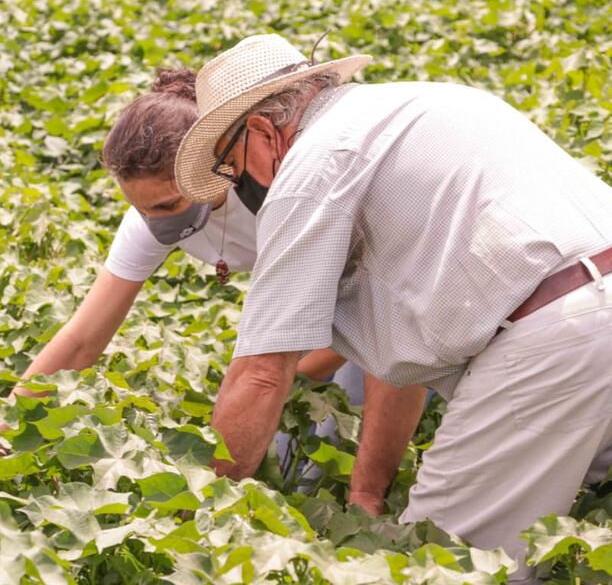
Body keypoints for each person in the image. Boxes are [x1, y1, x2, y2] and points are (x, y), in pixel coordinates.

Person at [169, 33, 612, 582]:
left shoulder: (311, 166)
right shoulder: (430, 102)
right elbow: (401, 357)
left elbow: (262, 373)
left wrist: (195, 522)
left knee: (443, 566)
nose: (242, 186)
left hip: (554, 338)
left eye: (234, 168)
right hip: (587, 310)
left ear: (261, 130)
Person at [9, 68, 366, 473]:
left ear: (209, 165)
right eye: (139, 206)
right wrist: (7, 426)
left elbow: (354, 305)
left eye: (166, 205)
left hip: (374, 292)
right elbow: (81, 339)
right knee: (272, 436)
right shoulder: (148, 218)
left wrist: (274, 383)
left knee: (335, 446)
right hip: (307, 307)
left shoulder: (278, 191)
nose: (153, 220)